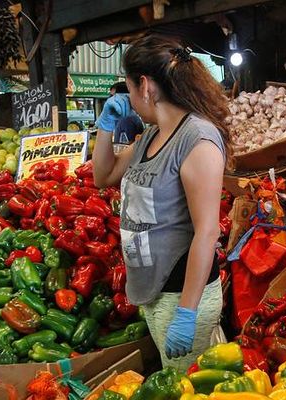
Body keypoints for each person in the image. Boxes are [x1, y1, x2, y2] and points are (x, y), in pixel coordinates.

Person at [92, 35, 231, 371]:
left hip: (182, 295)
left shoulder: (197, 139)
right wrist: (106, 125)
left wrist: (187, 312)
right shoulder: (151, 136)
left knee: (188, 388)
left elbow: (207, 231)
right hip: (155, 292)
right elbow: (103, 176)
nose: (126, 97)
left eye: (127, 87)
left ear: (144, 85)